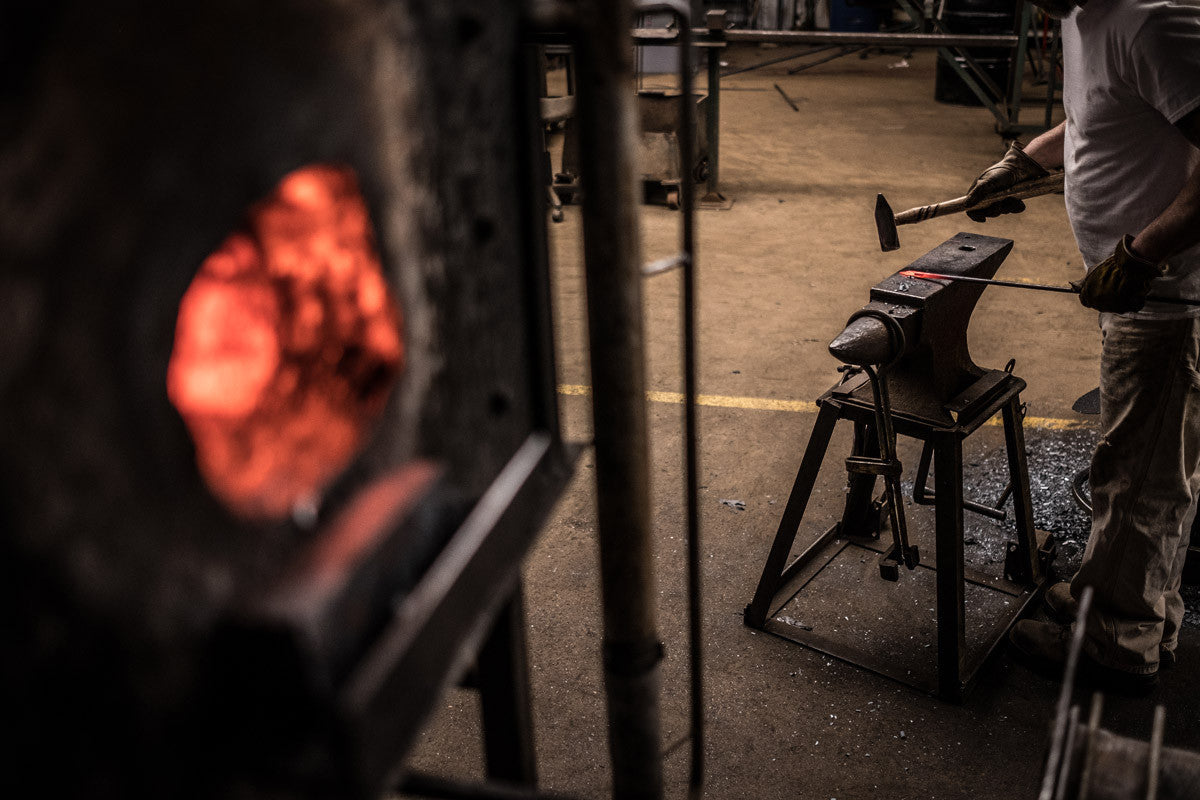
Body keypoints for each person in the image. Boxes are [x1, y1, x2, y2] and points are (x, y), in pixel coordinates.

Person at [965, 0, 1200, 694]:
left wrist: (1143, 254)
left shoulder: (1151, 23)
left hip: (1173, 298)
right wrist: (1024, 162)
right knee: (1150, 467)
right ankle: (1135, 605)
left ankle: (1115, 644)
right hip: (1138, 291)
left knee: (1139, 478)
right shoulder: (1077, 14)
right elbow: (1100, 116)